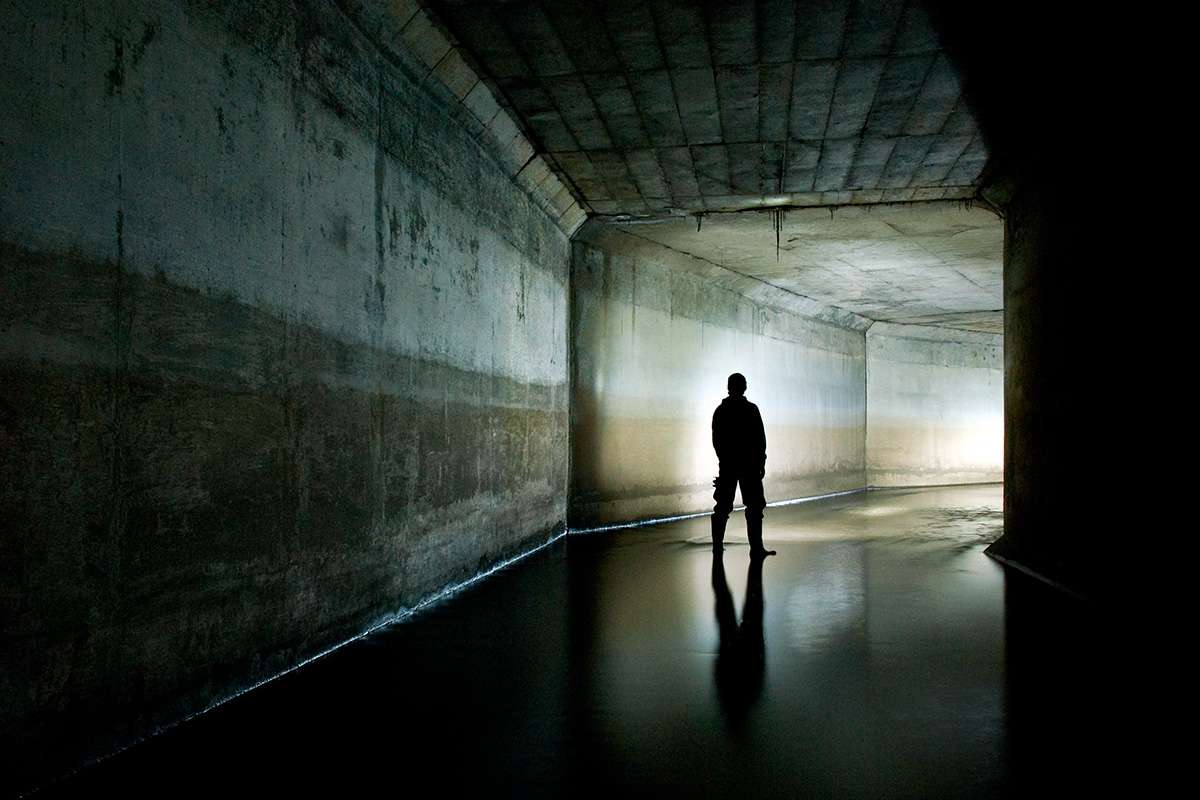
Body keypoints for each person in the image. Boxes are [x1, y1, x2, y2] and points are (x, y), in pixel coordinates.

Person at [711, 373, 774, 556]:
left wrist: (725, 460)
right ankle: (756, 548)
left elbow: (717, 441)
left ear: (729, 387)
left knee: (723, 506)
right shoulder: (751, 410)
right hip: (749, 466)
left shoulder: (721, 411)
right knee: (754, 507)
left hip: (730, 465)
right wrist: (760, 462)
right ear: (744, 387)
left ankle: (717, 547)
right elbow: (760, 439)